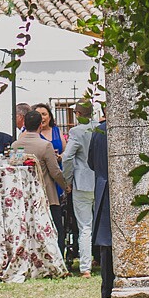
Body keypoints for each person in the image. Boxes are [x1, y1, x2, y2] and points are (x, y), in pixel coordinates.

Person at [11, 107, 69, 263]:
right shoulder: (45, 146)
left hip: (24, 193)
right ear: (40, 126)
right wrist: (66, 187)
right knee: (56, 227)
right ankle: (57, 259)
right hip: (46, 193)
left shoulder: (16, 145)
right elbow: (55, 172)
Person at [59, 100, 101, 276]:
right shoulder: (100, 128)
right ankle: (102, 260)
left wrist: (67, 179)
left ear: (78, 114)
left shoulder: (76, 131)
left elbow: (67, 157)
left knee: (85, 226)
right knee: (101, 223)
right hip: (99, 181)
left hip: (82, 182)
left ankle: (85, 267)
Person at [85, 118, 114, 298]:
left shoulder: (99, 130)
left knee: (106, 247)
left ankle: (107, 293)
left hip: (104, 188)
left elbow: (91, 162)